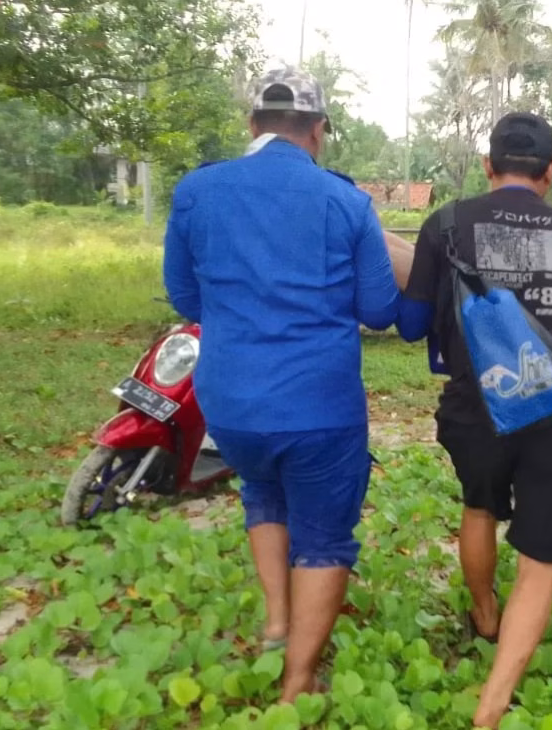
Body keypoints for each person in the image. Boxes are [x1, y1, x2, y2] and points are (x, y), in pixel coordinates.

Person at [162, 65, 409, 703]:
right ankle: (297, 683)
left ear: (252, 124)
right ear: (319, 131)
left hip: (230, 404)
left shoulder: (198, 191)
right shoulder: (345, 202)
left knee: (264, 496)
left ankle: (278, 625)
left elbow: (185, 295)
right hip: (317, 405)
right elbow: (380, 309)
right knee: (324, 535)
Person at [396, 112, 552, 728]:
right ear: (550, 171)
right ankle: (492, 705)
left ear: (489, 167)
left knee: (480, 507)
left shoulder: (448, 223)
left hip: (477, 405)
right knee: (542, 555)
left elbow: (411, 326)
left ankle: (485, 615)